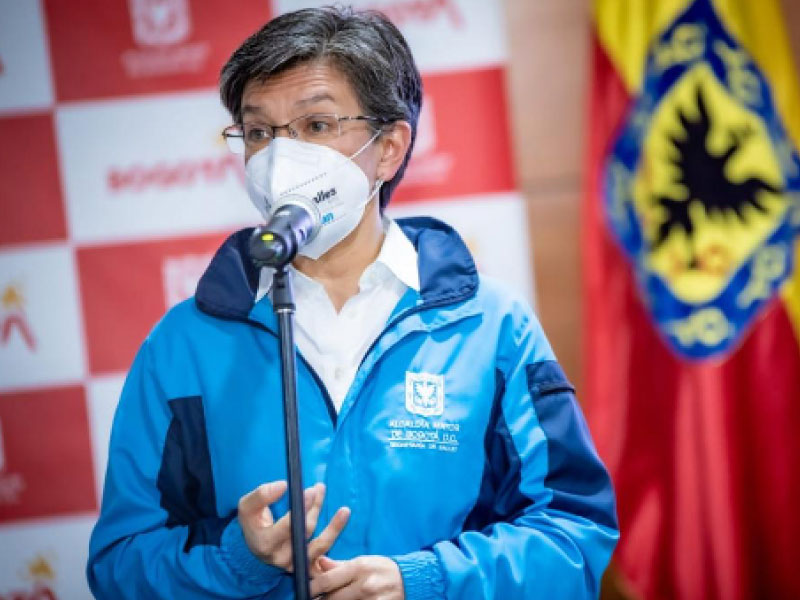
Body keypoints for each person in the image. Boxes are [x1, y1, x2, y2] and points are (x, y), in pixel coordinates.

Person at [87, 6, 618, 599]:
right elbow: (118, 567)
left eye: (315, 125)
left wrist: (427, 581)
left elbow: (574, 537)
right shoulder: (183, 344)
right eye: (259, 132)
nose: (280, 158)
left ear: (388, 147)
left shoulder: (490, 327)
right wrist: (238, 560)